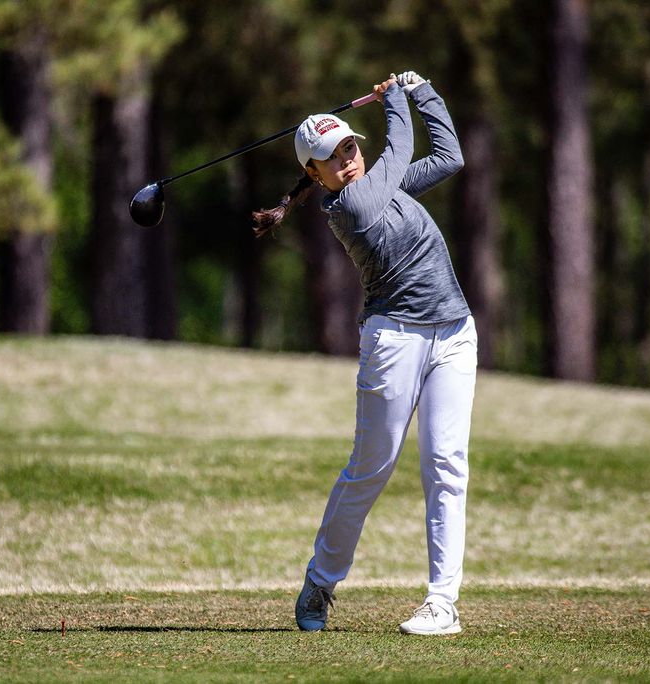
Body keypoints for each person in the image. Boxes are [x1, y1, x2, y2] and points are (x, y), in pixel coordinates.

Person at [253, 71, 476, 636]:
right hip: (394, 337)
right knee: (371, 468)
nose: (348, 159)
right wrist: (397, 99)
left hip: (454, 331)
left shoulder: (387, 185)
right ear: (315, 172)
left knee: (447, 466)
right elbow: (401, 146)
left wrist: (424, 92)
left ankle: (442, 602)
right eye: (333, 156)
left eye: (351, 146)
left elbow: (449, 157)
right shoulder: (352, 207)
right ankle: (321, 579)